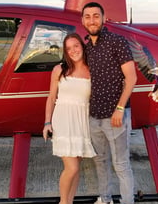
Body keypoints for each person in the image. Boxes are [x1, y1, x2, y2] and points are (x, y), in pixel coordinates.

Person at [81, 2, 137, 204]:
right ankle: (105, 199)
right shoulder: (87, 48)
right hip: (94, 117)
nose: (92, 20)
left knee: (121, 164)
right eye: (87, 16)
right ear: (82, 20)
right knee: (100, 162)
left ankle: (127, 201)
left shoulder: (117, 41)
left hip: (116, 116)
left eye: (96, 16)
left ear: (103, 18)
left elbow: (131, 78)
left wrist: (120, 109)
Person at [43, 33, 96, 204]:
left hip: (82, 122)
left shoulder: (91, 70)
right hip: (63, 121)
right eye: (68, 48)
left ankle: (70, 201)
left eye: (76, 46)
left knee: (76, 168)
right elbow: (51, 98)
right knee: (71, 167)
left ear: (82, 46)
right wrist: (47, 123)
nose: (73, 51)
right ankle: (63, 202)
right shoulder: (59, 70)